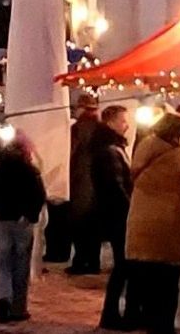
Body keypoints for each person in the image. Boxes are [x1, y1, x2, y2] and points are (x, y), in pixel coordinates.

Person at [123, 112, 180, 334]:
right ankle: (162, 328)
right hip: (167, 227)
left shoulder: (143, 148)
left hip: (139, 225)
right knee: (166, 286)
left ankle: (147, 323)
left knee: (145, 283)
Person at [0, 129, 46, 323]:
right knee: (21, 265)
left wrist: (0, 210)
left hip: (4, 220)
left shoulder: (0, 169)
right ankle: (18, 308)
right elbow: (38, 196)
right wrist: (29, 215)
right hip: (22, 221)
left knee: (4, 264)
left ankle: (3, 303)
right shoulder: (30, 171)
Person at [90, 104, 135, 330]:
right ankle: (111, 313)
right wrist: (131, 209)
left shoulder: (110, 148)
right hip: (118, 216)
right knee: (123, 266)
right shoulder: (110, 151)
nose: (126, 125)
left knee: (123, 266)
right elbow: (116, 186)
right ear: (111, 122)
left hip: (114, 214)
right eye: (123, 120)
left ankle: (115, 312)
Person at [67, 92, 103, 273]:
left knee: (80, 223)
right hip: (96, 181)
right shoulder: (101, 128)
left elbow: (72, 152)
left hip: (81, 179)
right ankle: (93, 262)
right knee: (93, 224)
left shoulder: (78, 128)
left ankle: (80, 261)